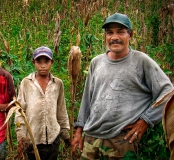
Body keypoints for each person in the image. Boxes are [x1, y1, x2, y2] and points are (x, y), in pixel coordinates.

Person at [71, 13, 174, 159]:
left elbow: (168, 92)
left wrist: (145, 121)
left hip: (122, 140)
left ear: (130, 35)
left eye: (120, 32)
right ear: (105, 36)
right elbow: (87, 100)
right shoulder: (97, 62)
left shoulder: (141, 61)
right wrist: (78, 132)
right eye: (110, 33)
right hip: (91, 138)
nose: (114, 37)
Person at [14, 46, 70, 160]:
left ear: (52, 62)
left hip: (53, 139)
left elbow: (61, 111)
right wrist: (21, 137)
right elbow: (20, 112)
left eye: (46, 61)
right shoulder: (26, 83)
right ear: (33, 62)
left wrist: (66, 137)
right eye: (39, 61)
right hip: (32, 140)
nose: (43, 65)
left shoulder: (58, 84)